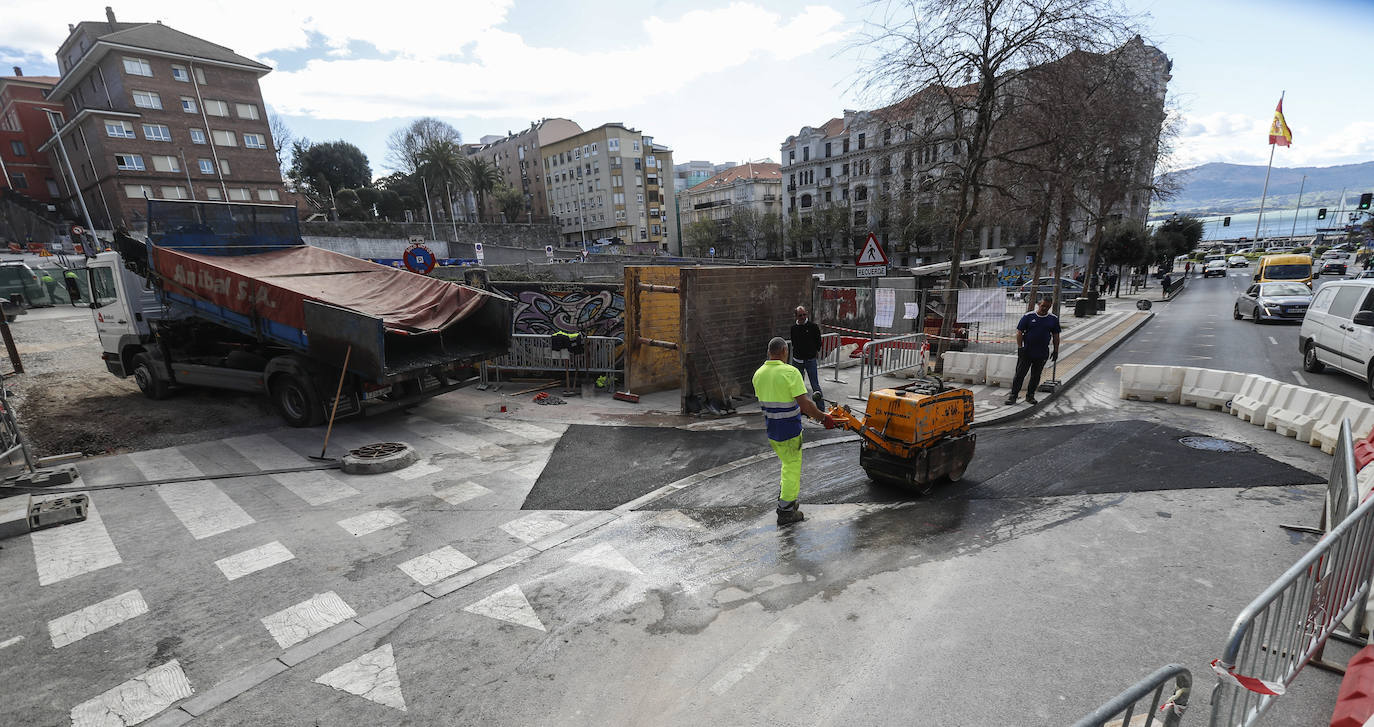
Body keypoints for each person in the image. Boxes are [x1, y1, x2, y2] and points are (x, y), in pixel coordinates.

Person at [753, 337, 835, 526]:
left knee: (786, 464)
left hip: (772, 430)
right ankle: (786, 510)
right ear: (784, 351)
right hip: (790, 430)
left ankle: (785, 500)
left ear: (768, 352)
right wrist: (824, 417)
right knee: (792, 468)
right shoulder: (790, 373)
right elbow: (805, 404)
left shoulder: (758, 374)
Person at [1004, 297, 1061, 406]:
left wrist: (1056, 350)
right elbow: (1019, 332)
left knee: (1036, 375)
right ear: (1039, 304)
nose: (1045, 308)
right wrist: (1020, 347)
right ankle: (1013, 396)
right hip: (1027, 351)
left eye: (1047, 307)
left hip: (1042, 352)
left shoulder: (1053, 319)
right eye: (1043, 305)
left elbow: (1056, 335)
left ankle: (1030, 396)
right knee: (1020, 374)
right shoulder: (1028, 316)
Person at [789, 306, 824, 402]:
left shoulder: (813, 327)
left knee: (815, 385)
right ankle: (798, 409)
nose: (803, 317)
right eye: (800, 315)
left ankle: (821, 410)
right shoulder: (793, 328)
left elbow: (818, 341)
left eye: (804, 314)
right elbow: (794, 342)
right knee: (796, 386)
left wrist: (814, 351)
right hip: (797, 360)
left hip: (810, 360)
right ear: (796, 316)